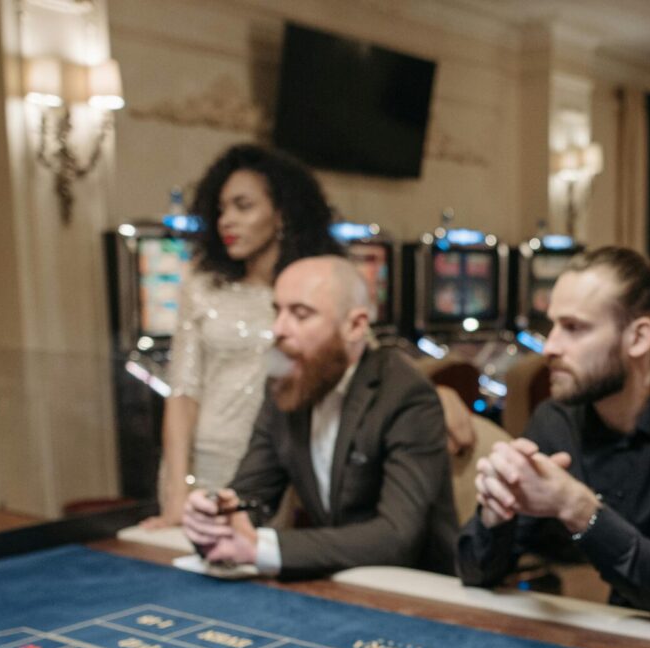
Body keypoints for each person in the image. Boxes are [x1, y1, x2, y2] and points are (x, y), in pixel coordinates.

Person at [455, 245, 650, 628]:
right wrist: (494, 516)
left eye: (574, 328)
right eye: (552, 325)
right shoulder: (555, 421)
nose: (550, 347)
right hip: (626, 630)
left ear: (639, 338)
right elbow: (475, 575)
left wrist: (577, 507)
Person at [182, 255, 458, 577]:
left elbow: (397, 537)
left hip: (418, 592)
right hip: (340, 581)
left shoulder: (405, 395)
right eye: (277, 311)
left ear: (355, 326)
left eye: (300, 314)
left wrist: (260, 548)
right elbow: (251, 495)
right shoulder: (288, 383)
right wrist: (218, 519)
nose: (278, 329)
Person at [146, 144, 339, 527]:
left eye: (242, 206)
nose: (226, 221)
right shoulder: (201, 287)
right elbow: (183, 392)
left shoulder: (312, 292)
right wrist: (177, 491)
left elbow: (359, 367)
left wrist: (443, 395)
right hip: (199, 464)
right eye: (221, 210)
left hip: (272, 469)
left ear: (281, 214)